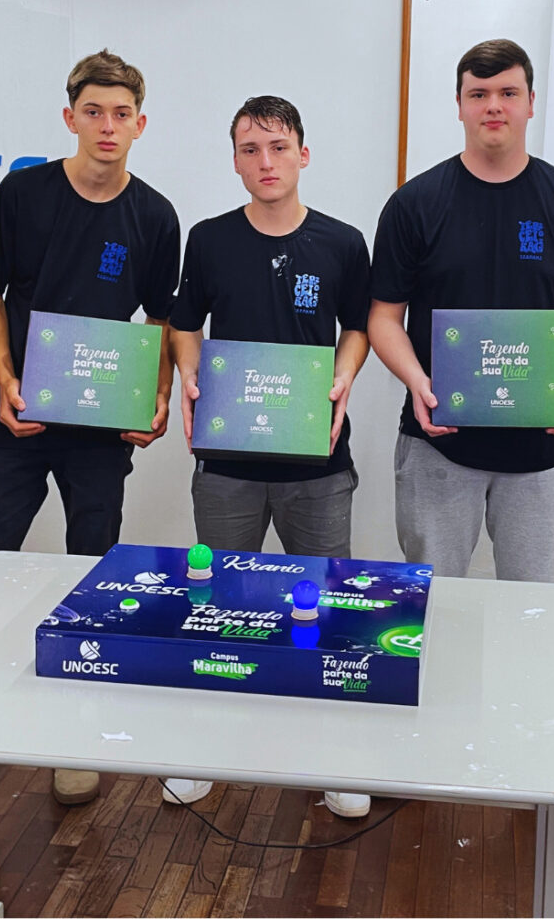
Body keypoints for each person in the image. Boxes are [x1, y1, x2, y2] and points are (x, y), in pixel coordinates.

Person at [0, 49, 180, 808]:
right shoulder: (23, 193)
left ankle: (72, 733)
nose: (107, 126)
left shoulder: (155, 215)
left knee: (94, 571)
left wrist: (156, 395)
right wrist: (4, 377)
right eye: (93, 112)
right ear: (70, 118)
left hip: (100, 426)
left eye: (122, 114)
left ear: (140, 124)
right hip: (19, 413)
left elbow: (161, 320)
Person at [166, 95, 373, 817]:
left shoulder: (343, 242)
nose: (266, 161)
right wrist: (188, 373)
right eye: (250, 149)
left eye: (279, 147)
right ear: (235, 160)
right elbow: (184, 324)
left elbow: (359, 327)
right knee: (222, 605)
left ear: (303, 155)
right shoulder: (210, 239)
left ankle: (334, 757)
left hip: (318, 462)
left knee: (324, 609)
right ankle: (207, 750)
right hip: (227, 462)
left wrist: (344, 375)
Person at [369, 38, 554, 580]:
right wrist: (417, 382)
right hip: (438, 441)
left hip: (541, 449)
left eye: (508, 92)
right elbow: (384, 318)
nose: (493, 106)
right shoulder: (414, 204)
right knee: (432, 601)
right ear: (459, 105)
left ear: (531, 103)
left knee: (529, 605)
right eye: (478, 94)